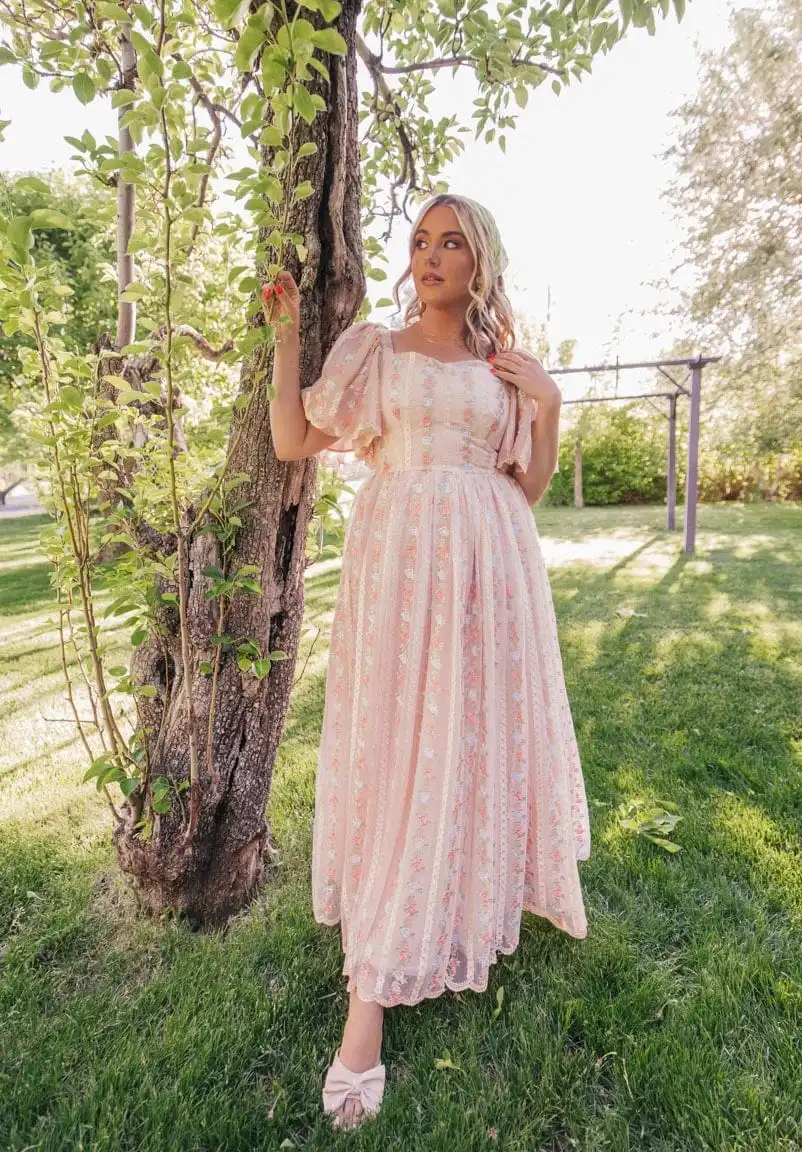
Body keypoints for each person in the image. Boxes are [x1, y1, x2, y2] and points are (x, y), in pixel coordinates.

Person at [264, 193, 590, 1133]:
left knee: (474, 735)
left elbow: (526, 486)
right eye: (420, 241)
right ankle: (368, 990)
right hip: (403, 570)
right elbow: (293, 441)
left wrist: (548, 404)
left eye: (451, 241)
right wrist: (285, 338)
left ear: (480, 258)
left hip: (493, 566)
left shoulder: (503, 366)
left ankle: (464, 889)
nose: (432, 254)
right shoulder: (376, 350)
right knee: (402, 745)